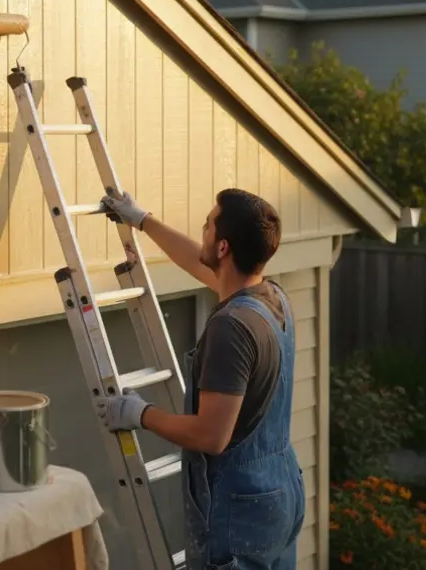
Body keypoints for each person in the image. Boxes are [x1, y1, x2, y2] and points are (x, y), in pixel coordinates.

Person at [96, 188, 304, 570]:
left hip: (240, 511)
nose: (203, 228)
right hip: (280, 493)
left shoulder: (231, 328)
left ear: (223, 247)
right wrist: (142, 220)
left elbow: (211, 436)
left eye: (208, 224)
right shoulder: (272, 299)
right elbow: (198, 261)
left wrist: (139, 414)